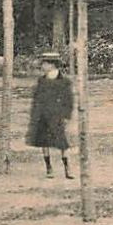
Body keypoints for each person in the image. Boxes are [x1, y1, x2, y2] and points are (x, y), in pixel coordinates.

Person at [26, 51, 73, 179]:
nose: (43, 66)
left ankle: (67, 167)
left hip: (57, 116)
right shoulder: (41, 81)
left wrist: (66, 116)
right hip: (43, 115)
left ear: (52, 65)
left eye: (45, 64)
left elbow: (68, 100)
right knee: (44, 142)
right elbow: (37, 99)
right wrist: (35, 115)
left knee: (62, 142)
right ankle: (48, 167)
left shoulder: (64, 81)